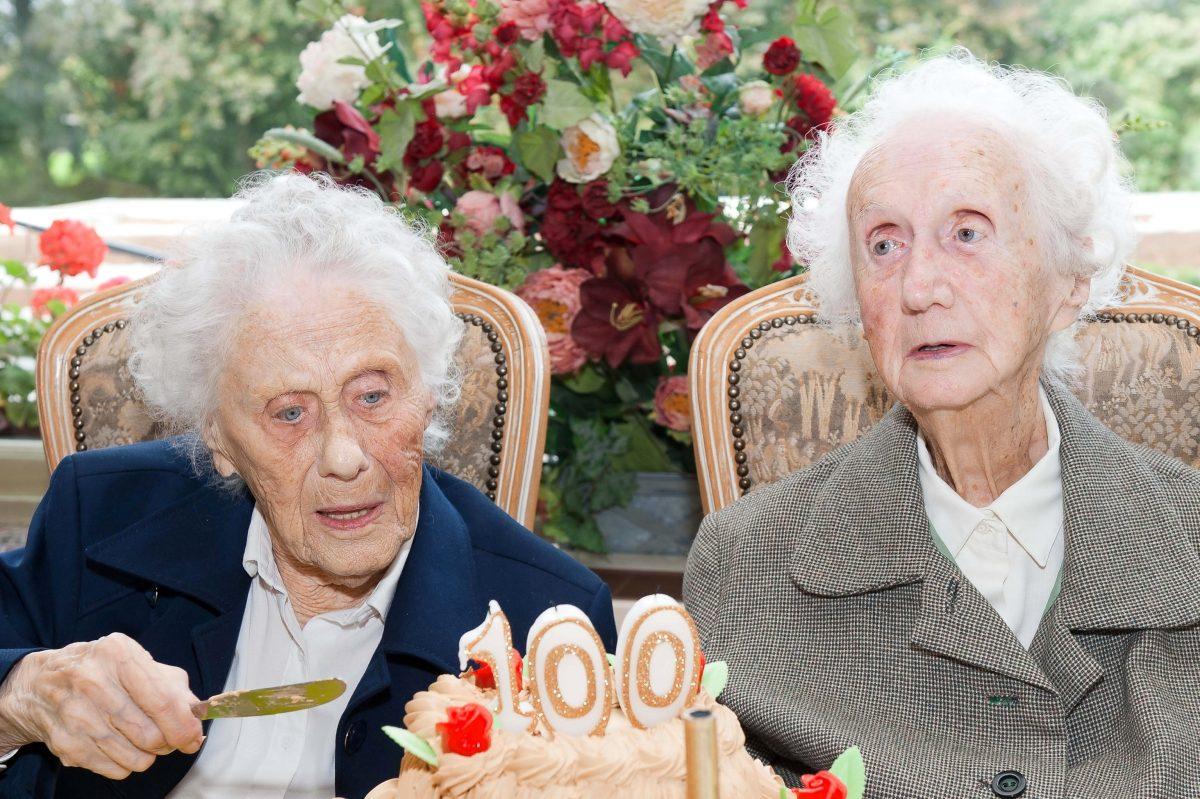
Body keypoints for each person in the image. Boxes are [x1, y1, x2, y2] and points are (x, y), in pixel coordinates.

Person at [0, 173, 617, 799]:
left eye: (372, 395)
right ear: (217, 438)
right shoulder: (100, 517)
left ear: (427, 397)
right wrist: (20, 693)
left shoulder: (544, 618)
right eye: (289, 413)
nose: (343, 458)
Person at [684, 51, 1200, 797]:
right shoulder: (744, 565)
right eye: (884, 244)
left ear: (1069, 280)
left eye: (967, 232)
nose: (919, 287)